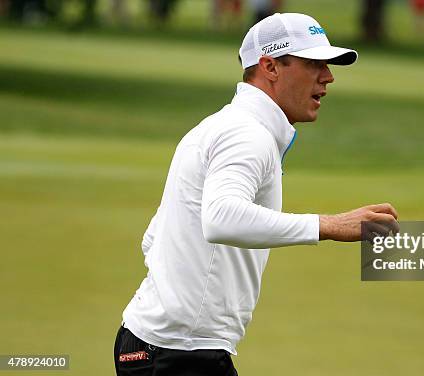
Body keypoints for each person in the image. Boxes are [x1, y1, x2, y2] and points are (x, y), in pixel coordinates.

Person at [113, 12, 399, 376]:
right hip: (179, 353)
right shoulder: (248, 135)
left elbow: (154, 237)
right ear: (270, 67)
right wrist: (328, 225)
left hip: (163, 346)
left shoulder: (224, 125)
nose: (328, 77)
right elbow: (221, 218)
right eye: (314, 64)